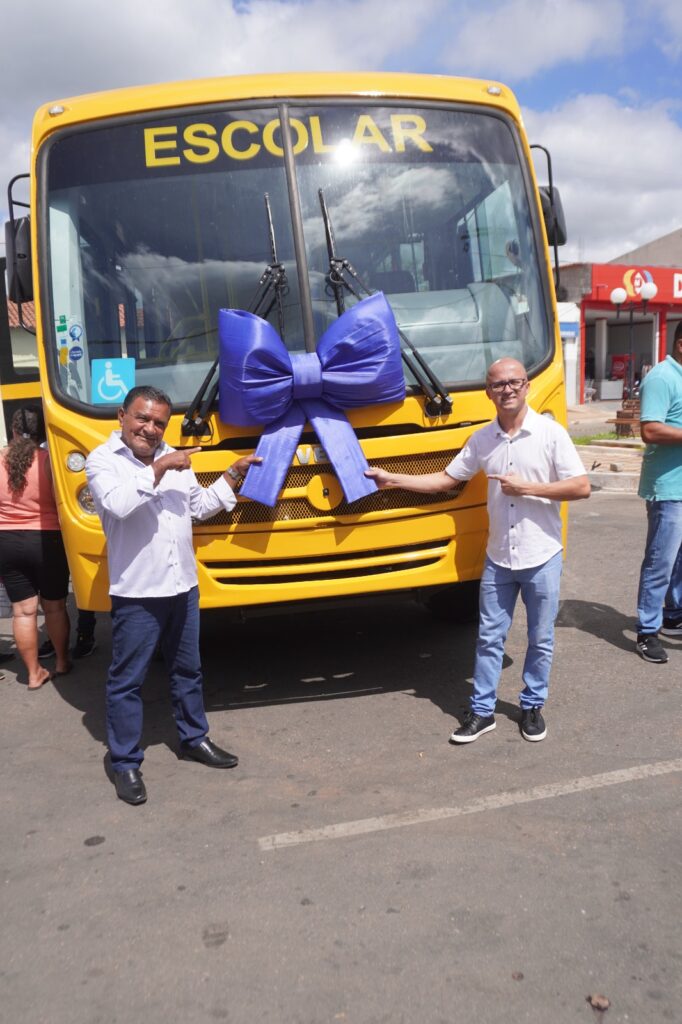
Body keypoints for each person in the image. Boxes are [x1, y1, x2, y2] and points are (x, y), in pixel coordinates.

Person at [366, 357, 590, 744]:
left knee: (540, 638)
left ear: (527, 386)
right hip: (499, 557)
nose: (507, 389)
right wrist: (392, 479)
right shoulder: (482, 439)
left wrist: (528, 488)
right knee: (489, 638)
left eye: (514, 382)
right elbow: (445, 480)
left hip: (542, 556)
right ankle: (482, 711)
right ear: (488, 392)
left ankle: (532, 706)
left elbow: (581, 487)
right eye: (499, 384)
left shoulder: (550, 434)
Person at [86, 385, 261, 805]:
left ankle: (194, 738)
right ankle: (125, 761)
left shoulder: (176, 459)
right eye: (142, 418)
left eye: (159, 423)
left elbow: (197, 507)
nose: (150, 428)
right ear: (122, 417)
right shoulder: (103, 460)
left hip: (182, 585)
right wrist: (162, 466)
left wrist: (232, 474)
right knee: (127, 681)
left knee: (188, 671)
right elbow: (118, 505)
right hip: (138, 593)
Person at [0, 407, 71, 688]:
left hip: (6, 541)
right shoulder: (49, 461)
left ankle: (33, 674)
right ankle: (62, 662)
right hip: (47, 540)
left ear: (14, 430)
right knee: (54, 607)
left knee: (23, 611)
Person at [634, 322, 682, 664]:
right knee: (660, 561)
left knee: (679, 560)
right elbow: (650, 429)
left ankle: (674, 615)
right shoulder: (662, 377)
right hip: (668, 488)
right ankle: (647, 631)